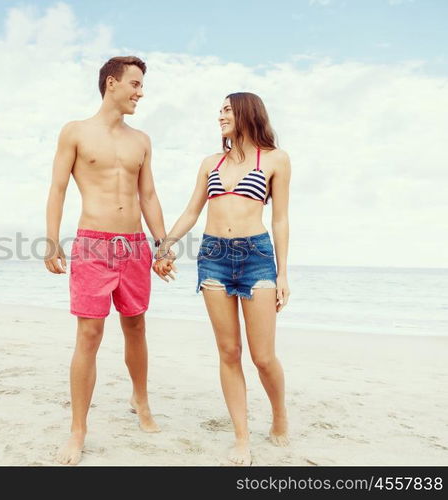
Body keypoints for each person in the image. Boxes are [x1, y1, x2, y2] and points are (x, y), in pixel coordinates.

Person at [44, 56, 173, 466]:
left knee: (136, 325)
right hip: (93, 244)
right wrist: (52, 241)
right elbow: (58, 188)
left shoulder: (142, 141)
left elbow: (148, 196)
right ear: (112, 83)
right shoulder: (76, 132)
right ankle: (78, 429)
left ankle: (141, 400)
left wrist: (163, 245)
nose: (140, 92)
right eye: (135, 84)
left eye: (142, 85)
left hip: (134, 245)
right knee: (89, 335)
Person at [154, 92, 291, 465]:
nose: (220, 116)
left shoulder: (276, 160)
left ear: (248, 112)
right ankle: (242, 437)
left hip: (258, 257)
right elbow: (192, 211)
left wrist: (282, 273)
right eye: (220, 110)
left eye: (227, 109)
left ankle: (279, 415)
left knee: (263, 357)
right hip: (213, 257)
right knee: (229, 353)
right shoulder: (210, 162)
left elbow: (279, 218)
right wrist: (164, 245)